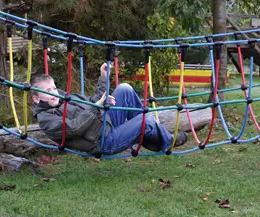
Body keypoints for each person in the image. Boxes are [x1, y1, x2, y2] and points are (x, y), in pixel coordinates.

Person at [31, 63, 187, 155]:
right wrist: (97, 107)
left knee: (124, 89)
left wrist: (103, 77)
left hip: (106, 123)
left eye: (54, 88)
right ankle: (167, 141)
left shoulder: (65, 98)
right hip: (104, 141)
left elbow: (92, 102)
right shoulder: (46, 119)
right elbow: (74, 128)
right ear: (36, 98)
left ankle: (143, 135)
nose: (54, 93)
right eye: (48, 91)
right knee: (145, 120)